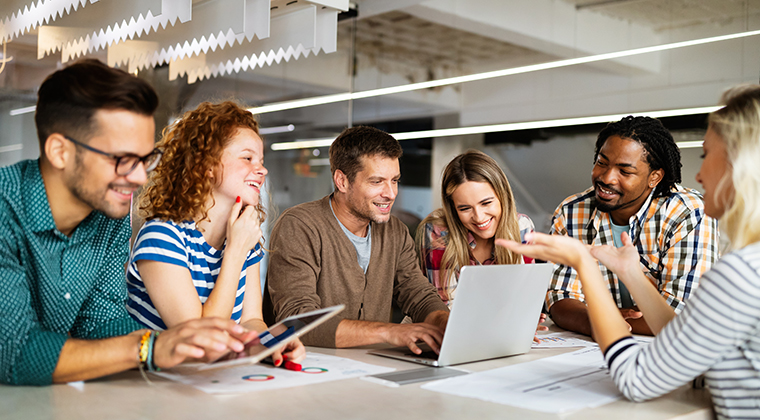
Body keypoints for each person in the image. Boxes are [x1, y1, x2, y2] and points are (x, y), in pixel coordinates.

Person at [499, 85, 760, 420]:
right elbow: (681, 337)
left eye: (707, 154)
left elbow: (637, 380)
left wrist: (585, 264)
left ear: (740, 166)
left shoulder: (740, 274)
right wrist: (632, 274)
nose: (698, 173)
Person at [0, 60, 255, 386]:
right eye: (122, 159)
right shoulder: (5, 207)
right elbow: (15, 351)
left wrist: (194, 344)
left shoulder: (109, 218)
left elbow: (99, 324)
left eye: (145, 159)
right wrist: (150, 347)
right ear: (60, 152)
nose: (137, 178)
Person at [126, 101, 304, 365]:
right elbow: (201, 341)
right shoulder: (162, 237)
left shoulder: (243, 238)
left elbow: (251, 320)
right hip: (156, 386)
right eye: (247, 158)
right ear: (207, 166)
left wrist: (269, 343)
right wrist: (234, 252)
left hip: (210, 381)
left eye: (261, 161)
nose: (262, 169)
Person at [264, 126, 449, 355]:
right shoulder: (300, 226)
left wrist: (445, 323)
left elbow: (419, 296)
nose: (391, 193)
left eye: (394, 180)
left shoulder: (395, 232)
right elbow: (299, 320)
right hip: (306, 367)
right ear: (342, 181)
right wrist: (389, 332)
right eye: (377, 181)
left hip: (369, 368)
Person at [546, 116, 719, 336]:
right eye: (602, 162)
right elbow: (560, 297)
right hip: (595, 349)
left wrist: (602, 319)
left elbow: (681, 315)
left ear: (654, 177)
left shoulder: (687, 212)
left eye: (625, 171)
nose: (607, 178)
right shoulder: (571, 212)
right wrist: (602, 323)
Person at [416, 150, 536, 307]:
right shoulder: (438, 231)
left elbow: (525, 299)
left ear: (503, 196)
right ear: (453, 208)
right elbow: (446, 308)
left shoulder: (522, 227)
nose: (479, 217)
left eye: (486, 203)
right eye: (465, 208)